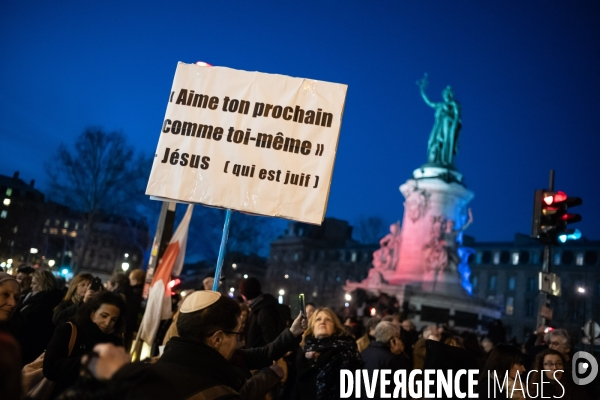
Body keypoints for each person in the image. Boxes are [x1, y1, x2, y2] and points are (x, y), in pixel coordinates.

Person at [44, 290, 126, 397]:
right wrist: (91, 360)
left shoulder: (115, 342)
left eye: (113, 320)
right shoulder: (68, 330)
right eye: (104, 316)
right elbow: (50, 369)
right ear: (92, 313)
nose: (107, 323)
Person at [291, 307, 363, 400]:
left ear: (335, 327)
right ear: (312, 326)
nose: (322, 322)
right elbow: (294, 387)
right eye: (318, 319)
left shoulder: (345, 349)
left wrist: (320, 360)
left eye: (328, 319)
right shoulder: (302, 352)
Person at [17, 269, 63, 364]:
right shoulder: (32, 298)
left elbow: (31, 323)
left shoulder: (44, 302)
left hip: (32, 347)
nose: (31, 286)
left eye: (34, 283)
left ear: (43, 284)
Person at [417, 73, 461, 166]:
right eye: (445, 94)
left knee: (446, 143)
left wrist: (454, 124)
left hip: (447, 125)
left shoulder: (454, 105)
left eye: (448, 94)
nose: (446, 96)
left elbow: (457, 117)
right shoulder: (440, 105)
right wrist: (422, 90)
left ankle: (445, 160)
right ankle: (434, 160)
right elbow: (429, 102)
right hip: (438, 127)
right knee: (431, 141)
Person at [240, 277, 282, 348]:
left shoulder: (264, 311)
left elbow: (270, 340)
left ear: (244, 296)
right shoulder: (258, 308)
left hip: (260, 357)